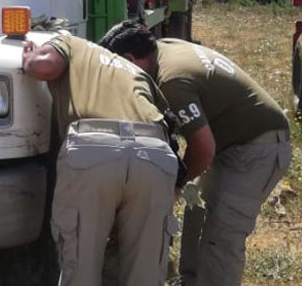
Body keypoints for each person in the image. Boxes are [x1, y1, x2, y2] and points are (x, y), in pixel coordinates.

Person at [100, 21, 291, 286]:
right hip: (229, 141)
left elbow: (203, 148)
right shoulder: (163, 49)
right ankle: (190, 280)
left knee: (223, 232)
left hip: (258, 147)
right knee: (196, 212)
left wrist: (174, 187)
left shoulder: (172, 81)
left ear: (131, 59)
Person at [21, 33, 179, 286]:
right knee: (146, 272)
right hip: (154, 151)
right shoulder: (139, 74)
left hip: (93, 148)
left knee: (80, 266)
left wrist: (29, 57)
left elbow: (45, 66)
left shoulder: (72, 43)